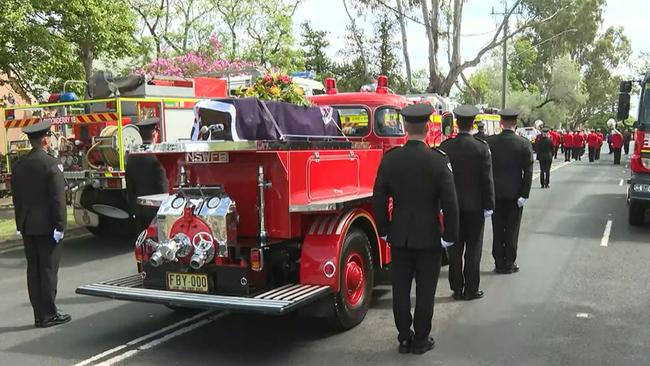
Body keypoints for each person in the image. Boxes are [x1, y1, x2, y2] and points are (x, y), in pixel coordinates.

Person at [373, 103, 459, 355]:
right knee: (425, 290)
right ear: (426, 127)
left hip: (399, 236)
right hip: (429, 236)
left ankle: (404, 336)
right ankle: (421, 338)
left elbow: (378, 197)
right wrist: (449, 236)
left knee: (400, 289)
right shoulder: (438, 160)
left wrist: (384, 230)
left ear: (406, 128)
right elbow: (451, 202)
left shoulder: (391, 159)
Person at [11, 121, 71, 328]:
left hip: (28, 225)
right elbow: (58, 200)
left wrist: (20, 224)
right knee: (48, 270)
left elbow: (17, 199)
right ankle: (48, 314)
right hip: (47, 227)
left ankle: (39, 314)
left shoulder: (20, 165)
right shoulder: (51, 164)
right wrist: (61, 226)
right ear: (45, 139)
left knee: (34, 270)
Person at [439, 105, 494, 302]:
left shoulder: (445, 147)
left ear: (456, 123)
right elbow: (487, 180)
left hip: (452, 207)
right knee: (473, 249)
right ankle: (472, 288)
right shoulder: (481, 147)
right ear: (472, 123)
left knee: (455, 249)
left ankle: (457, 288)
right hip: (475, 206)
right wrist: (489, 205)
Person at [486, 108, 533, 274]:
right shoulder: (524, 143)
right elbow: (528, 172)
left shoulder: (490, 142)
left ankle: (499, 261)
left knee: (498, 228)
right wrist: (524, 194)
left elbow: (486, 169)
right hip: (515, 194)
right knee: (513, 229)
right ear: (516, 124)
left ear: (501, 123)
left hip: (495, 193)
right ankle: (509, 262)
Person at [126, 118, 169, 234]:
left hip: (139, 209)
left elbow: (130, 186)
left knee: (142, 243)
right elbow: (162, 185)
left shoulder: (132, 157)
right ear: (154, 133)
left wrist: (134, 207)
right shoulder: (157, 156)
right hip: (156, 210)